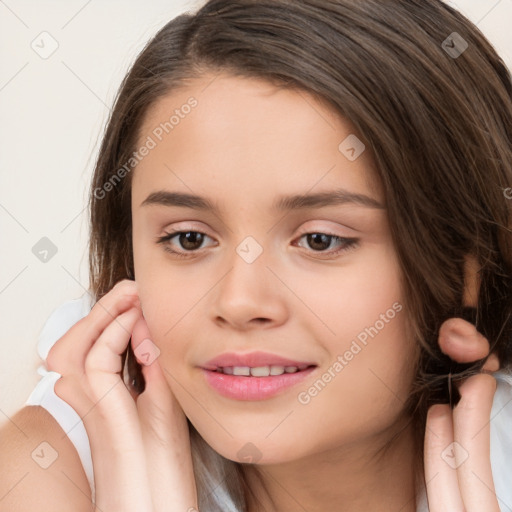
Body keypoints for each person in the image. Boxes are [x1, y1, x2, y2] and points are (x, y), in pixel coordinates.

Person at [1, 0, 511, 510]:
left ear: (461, 268)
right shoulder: (49, 470)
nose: (240, 302)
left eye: (320, 240)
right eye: (189, 239)